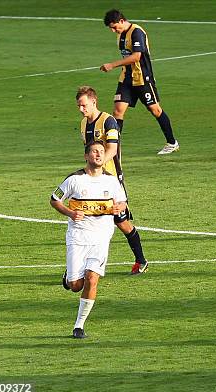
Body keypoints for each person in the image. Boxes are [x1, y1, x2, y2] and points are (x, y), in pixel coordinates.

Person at [50, 141, 127, 339]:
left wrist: (120, 208)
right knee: (76, 284)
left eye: (101, 152)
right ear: (86, 156)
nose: (99, 155)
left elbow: (122, 202)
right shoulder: (74, 180)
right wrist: (69, 212)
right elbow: (54, 199)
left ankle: (79, 326)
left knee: (92, 279)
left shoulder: (111, 181)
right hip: (78, 236)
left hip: (101, 237)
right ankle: (69, 277)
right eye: (94, 151)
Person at [76, 86, 148, 275]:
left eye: (84, 105)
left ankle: (141, 260)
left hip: (111, 180)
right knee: (89, 220)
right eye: (79, 106)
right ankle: (86, 265)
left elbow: (113, 149)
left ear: (94, 101)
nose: (81, 110)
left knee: (122, 222)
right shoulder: (83, 124)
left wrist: (99, 165)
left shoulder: (108, 121)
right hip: (93, 180)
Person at [100, 9, 180, 155]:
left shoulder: (137, 32)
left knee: (155, 110)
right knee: (117, 111)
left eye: (114, 27)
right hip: (126, 78)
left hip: (143, 79)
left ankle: (172, 142)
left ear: (122, 21)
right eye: (111, 28)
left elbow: (136, 56)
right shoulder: (120, 35)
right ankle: (114, 149)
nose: (113, 30)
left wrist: (112, 65)